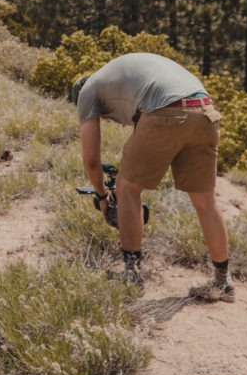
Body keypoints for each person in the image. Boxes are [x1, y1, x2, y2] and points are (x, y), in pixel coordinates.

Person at [68, 52, 234, 303]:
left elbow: (91, 161)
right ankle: (223, 282)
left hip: (166, 110)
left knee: (126, 189)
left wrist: (103, 198)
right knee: (205, 200)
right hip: (205, 110)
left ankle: (132, 273)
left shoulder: (87, 91)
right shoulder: (119, 77)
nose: (103, 118)